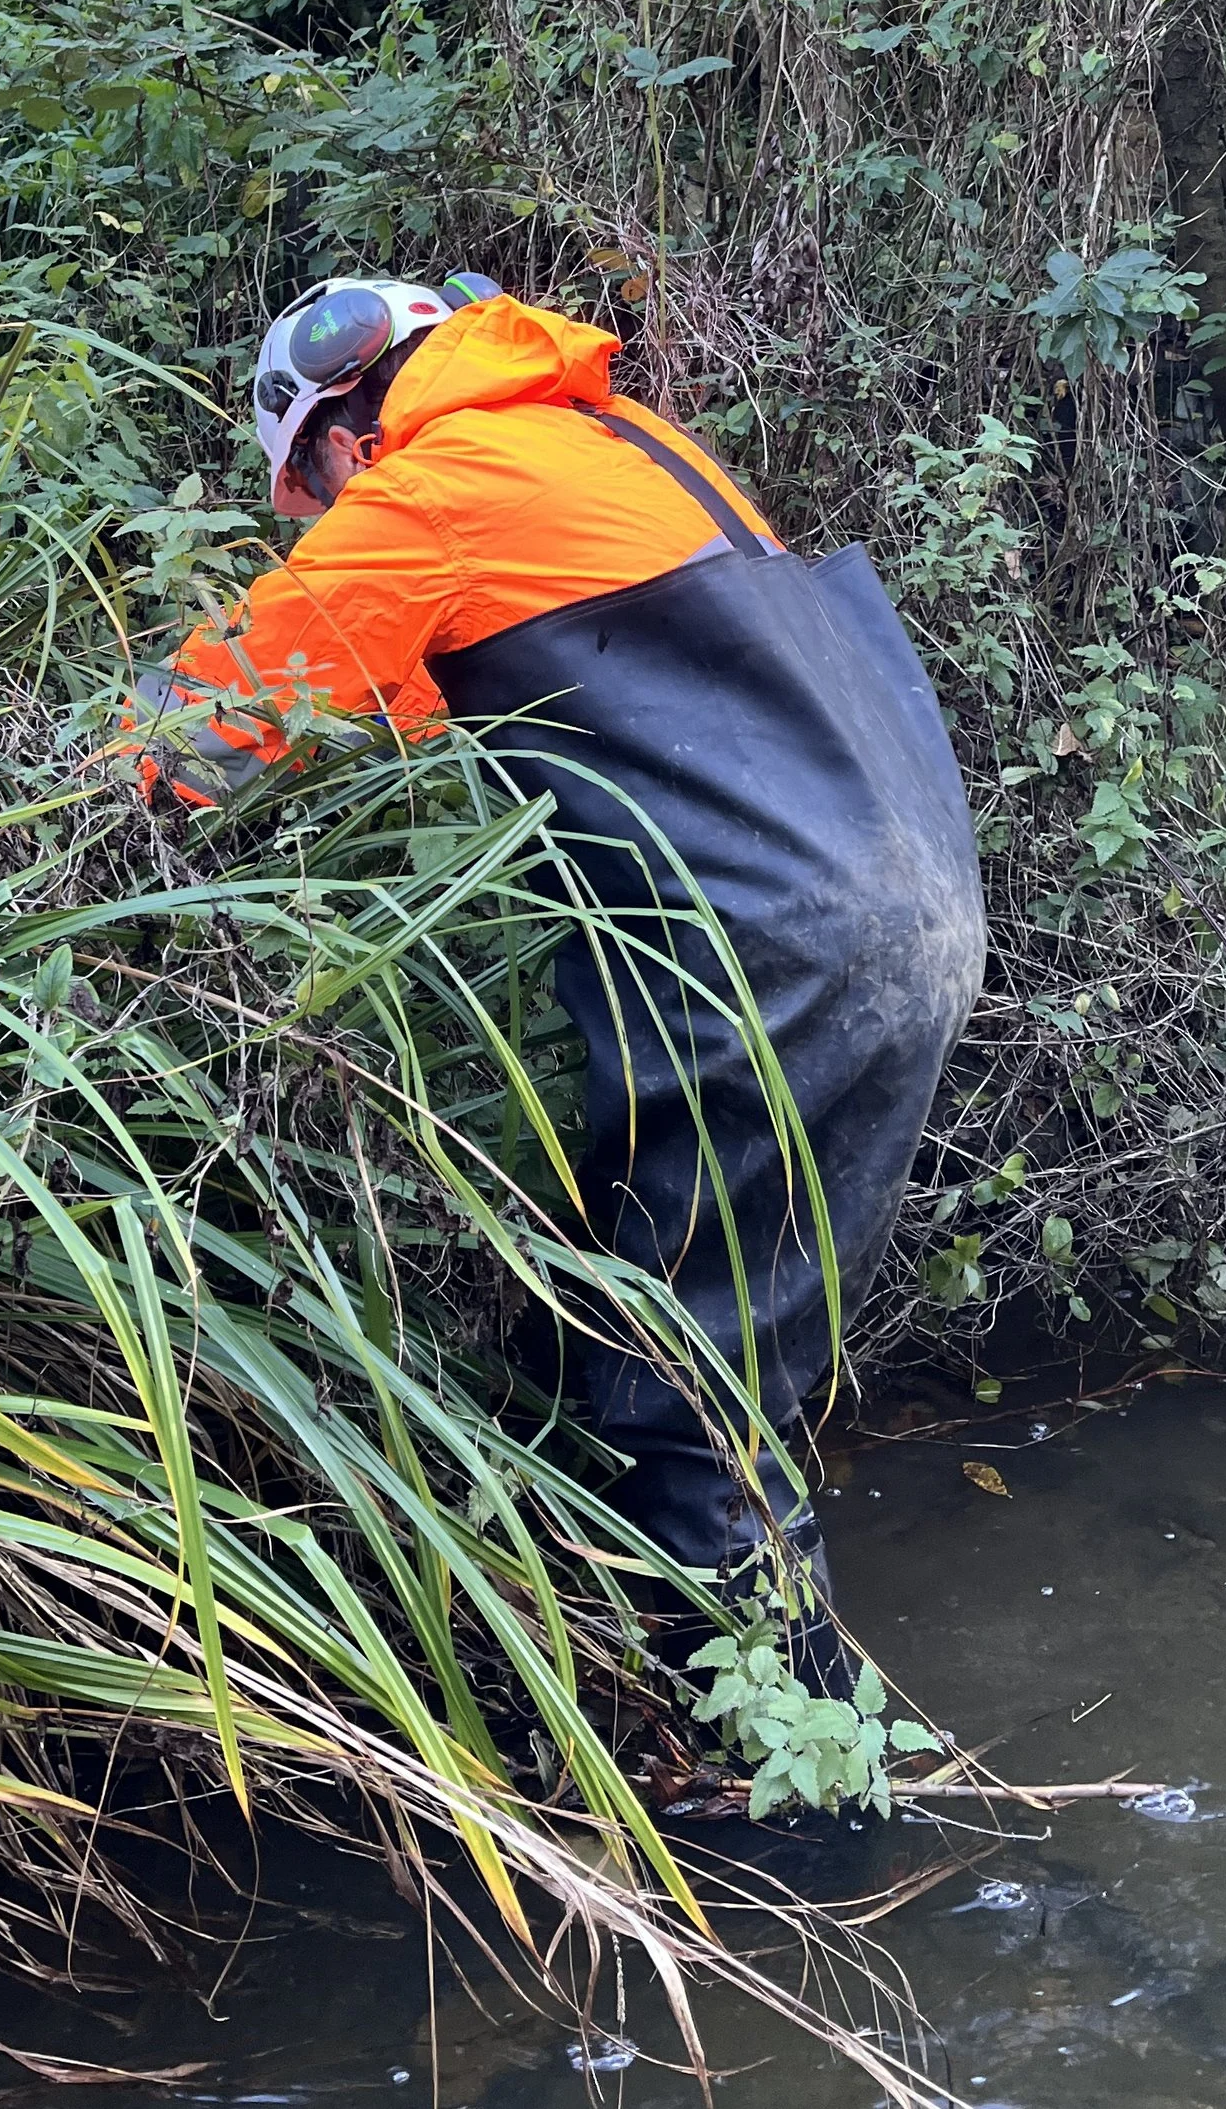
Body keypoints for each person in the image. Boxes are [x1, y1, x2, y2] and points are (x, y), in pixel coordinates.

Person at [130, 273, 985, 1654]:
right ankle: (659, 1675)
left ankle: (790, 1795)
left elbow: (199, 741)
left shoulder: (432, 490)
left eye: (324, 493)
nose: (340, 516)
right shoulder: (622, 442)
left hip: (776, 950)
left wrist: (14, 819)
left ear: (345, 436)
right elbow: (443, 693)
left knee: (688, 1390)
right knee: (714, 1328)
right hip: (919, 918)